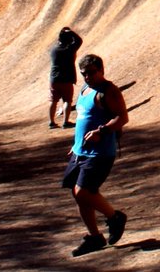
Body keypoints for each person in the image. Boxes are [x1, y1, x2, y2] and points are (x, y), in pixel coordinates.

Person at [60, 53, 130, 256]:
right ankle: (95, 237)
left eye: (91, 73)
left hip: (100, 153)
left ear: (101, 70)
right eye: (83, 74)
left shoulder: (109, 91)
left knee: (84, 191)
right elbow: (84, 118)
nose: (87, 77)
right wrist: (75, 144)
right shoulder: (85, 89)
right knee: (78, 195)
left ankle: (115, 217)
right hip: (80, 151)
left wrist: (102, 131)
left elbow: (122, 117)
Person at [48, 26, 83, 128]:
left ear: (59, 39)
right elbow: (79, 40)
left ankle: (51, 122)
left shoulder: (54, 50)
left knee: (53, 101)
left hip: (54, 78)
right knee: (67, 101)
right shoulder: (70, 49)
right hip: (66, 78)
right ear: (70, 40)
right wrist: (71, 32)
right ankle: (65, 122)